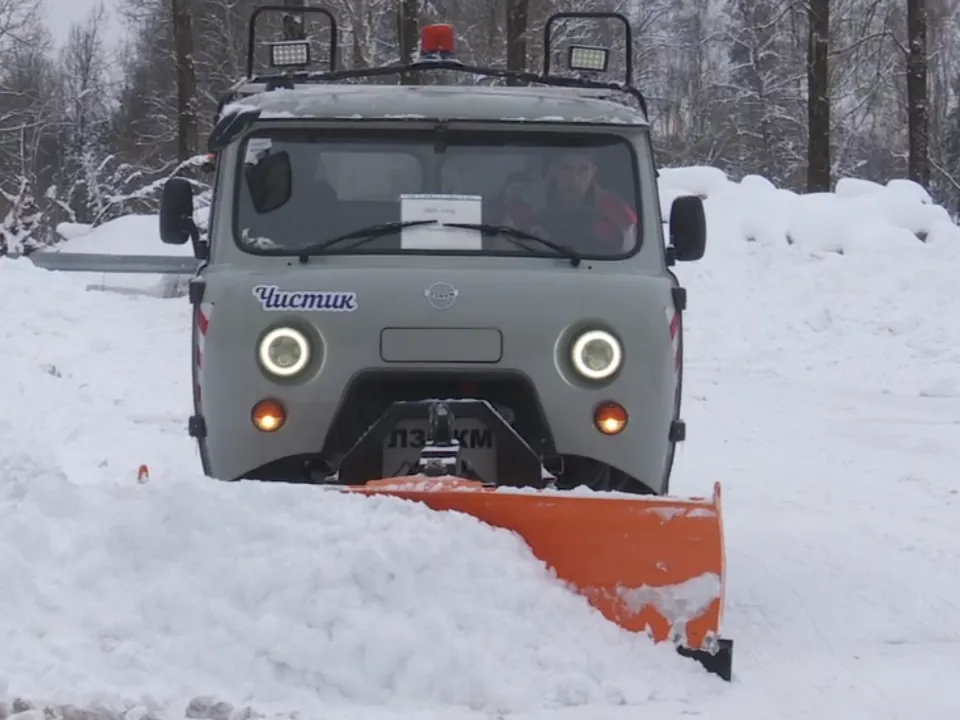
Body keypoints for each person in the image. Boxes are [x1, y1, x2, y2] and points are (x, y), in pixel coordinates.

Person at [519, 149, 638, 252]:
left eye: (583, 170)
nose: (574, 179)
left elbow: (629, 257)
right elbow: (506, 244)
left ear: (593, 172)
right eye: (567, 169)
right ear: (554, 169)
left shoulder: (616, 212)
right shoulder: (528, 203)